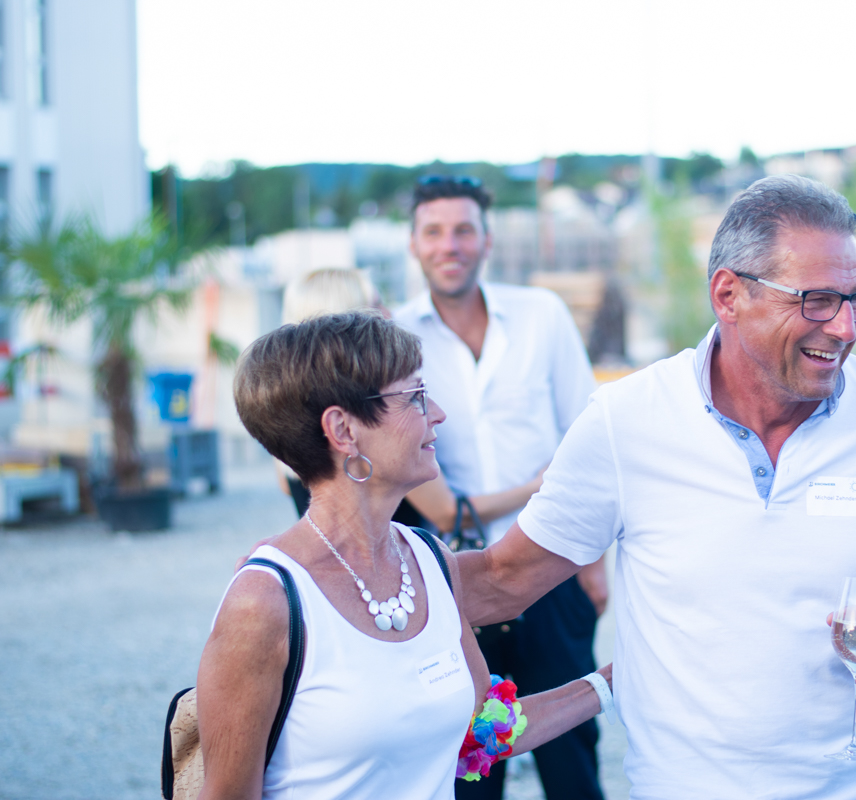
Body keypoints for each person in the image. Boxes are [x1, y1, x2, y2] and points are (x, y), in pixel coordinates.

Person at [457, 175, 856, 799]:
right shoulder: (628, 420)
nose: (844, 328)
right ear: (728, 294)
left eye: (855, 300)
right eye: (816, 301)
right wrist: (358, 581)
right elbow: (501, 581)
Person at [197, 310, 613, 799]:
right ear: (343, 430)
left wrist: (614, 682)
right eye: (415, 395)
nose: (438, 412)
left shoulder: (428, 561)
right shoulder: (264, 603)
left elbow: (482, 733)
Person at [393, 175, 607, 800]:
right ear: (414, 244)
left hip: (550, 567)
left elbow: (588, 433)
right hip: (454, 583)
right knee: (471, 765)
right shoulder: (397, 338)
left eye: (464, 230)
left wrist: (595, 565)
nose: (449, 245)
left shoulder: (541, 315)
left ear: (487, 240)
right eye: (434, 232)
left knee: (572, 760)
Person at [275, 267, 541, 534]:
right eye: (376, 305)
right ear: (348, 322)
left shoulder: (292, 414)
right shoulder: (377, 424)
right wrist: (538, 486)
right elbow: (448, 513)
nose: (390, 313)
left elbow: (288, 487)